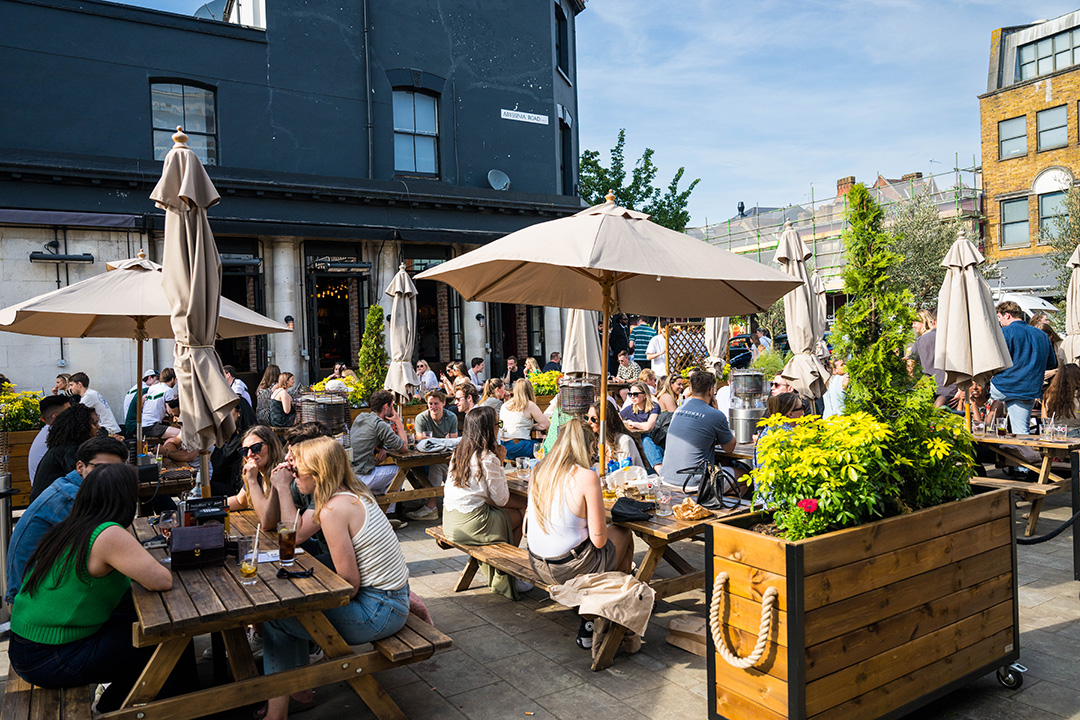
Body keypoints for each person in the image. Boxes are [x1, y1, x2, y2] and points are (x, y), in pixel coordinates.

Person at [260, 437, 412, 720]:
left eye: (297, 469)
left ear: (317, 472)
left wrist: (280, 487)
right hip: (393, 599)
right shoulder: (351, 493)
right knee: (289, 605)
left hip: (379, 610)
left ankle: (277, 711)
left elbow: (349, 586)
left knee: (277, 616)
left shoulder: (332, 510)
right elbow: (293, 534)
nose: (292, 474)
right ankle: (298, 688)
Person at [9, 463, 176, 713]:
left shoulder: (71, 526)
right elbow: (162, 580)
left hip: (29, 646)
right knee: (162, 639)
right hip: (48, 657)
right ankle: (113, 706)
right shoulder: (108, 534)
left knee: (138, 620)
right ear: (125, 499)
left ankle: (158, 695)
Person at [526, 418, 633, 648]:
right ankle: (604, 615)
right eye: (593, 446)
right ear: (586, 446)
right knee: (623, 534)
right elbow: (599, 540)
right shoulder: (586, 477)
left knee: (612, 544)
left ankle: (605, 613)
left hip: (537, 563)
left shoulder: (538, 470)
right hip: (567, 568)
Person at [8, 437, 128, 604]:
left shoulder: (76, 487)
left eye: (115, 469)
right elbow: (110, 543)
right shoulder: (71, 497)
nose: (107, 475)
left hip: (46, 580)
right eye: (100, 467)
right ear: (80, 466)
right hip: (31, 594)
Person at [443, 406, 529, 598]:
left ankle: (505, 570)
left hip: (450, 521)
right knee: (521, 514)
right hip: (472, 524)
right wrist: (500, 461)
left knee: (520, 507)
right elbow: (501, 499)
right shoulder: (487, 457)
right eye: (497, 424)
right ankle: (507, 571)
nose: (499, 428)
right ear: (488, 429)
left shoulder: (460, 451)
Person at [660, 370, 736, 489]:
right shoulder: (716, 415)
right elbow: (729, 448)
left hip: (666, 478)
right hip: (694, 484)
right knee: (744, 476)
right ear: (711, 391)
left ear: (690, 389)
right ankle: (716, 506)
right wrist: (718, 411)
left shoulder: (679, 409)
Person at [991, 301, 1057, 434]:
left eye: (999, 317)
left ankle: (988, 428)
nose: (1000, 322)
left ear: (1007, 315)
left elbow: (993, 362)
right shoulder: (1042, 335)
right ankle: (1021, 453)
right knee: (1022, 432)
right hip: (1029, 389)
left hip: (1003, 386)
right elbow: (1052, 363)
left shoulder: (1004, 333)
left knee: (978, 394)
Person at [349, 390, 408, 506]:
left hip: (350, 473)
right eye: (392, 406)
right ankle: (389, 512)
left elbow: (365, 439)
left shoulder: (361, 417)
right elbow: (404, 448)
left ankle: (378, 506)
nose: (393, 410)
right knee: (400, 471)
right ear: (386, 406)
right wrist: (398, 422)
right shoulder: (380, 425)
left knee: (387, 473)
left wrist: (381, 449)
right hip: (362, 476)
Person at [31, 404, 101, 502]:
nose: (99, 426)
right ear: (81, 426)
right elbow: (87, 480)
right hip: (51, 508)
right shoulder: (70, 450)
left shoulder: (65, 446)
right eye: (94, 423)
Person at [408, 390, 459, 521]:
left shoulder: (451, 417)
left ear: (443, 403)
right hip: (428, 458)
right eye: (430, 403)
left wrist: (432, 440)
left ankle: (431, 507)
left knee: (440, 465)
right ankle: (454, 503)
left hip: (446, 457)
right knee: (440, 466)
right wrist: (442, 440)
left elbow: (453, 441)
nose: (433, 407)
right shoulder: (422, 418)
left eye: (436, 403)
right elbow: (420, 440)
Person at [222, 426, 284, 523]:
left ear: (271, 446)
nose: (249, 454)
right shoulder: (258, 475)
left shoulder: (282, 474)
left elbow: (267, 521)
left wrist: (252, 481)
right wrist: (209, 507)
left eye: (256, 448)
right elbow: (239, 501)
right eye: (245, 451)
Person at [908, 308, 959, 408]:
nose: (913, 325)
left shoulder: (921, 340)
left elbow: (910, 363)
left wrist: (912, 382)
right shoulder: (954, 339)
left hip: (929, 389)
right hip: (952, 391)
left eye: (915, 322)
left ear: (933, 321)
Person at [499, 379, 549, 461]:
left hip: (503, 447)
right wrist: (533, 426)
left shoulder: (505, 405)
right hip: (519, 447)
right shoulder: (529, 404)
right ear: (530, 390)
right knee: (549, 447)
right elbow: (545, 425)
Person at [586, 400, 644, 469]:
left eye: (593, 419)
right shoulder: (595, 442)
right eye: (587, 417)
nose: (588, 422)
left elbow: (626, 472)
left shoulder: (624, 441)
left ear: (606, 421)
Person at [754, 393, 805, 469]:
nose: (804, 412)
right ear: (790, 414)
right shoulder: (789, 435)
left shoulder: (769, 429)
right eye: (802, 407)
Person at [619, 380, 662, 470]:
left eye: (635, 394)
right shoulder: (630, 408)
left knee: (645, 441)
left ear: (645, 395)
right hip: (636, 441)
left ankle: (660, 471)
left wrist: (633, 423)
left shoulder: (654, 407)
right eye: (630, 394)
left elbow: (648, 426)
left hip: (653, 440)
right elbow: (617, 419)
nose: (632, 397)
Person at [28, 395, 71, 483]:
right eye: (69, 412)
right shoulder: (55, 437)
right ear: (55, 417)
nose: (73, 415)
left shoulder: (47, 432)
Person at [1042, 363, 1080, 438]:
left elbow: (1045, 418)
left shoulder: (1049, 394)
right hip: (1076, 433)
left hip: (1054, 434)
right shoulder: (1078, 395)